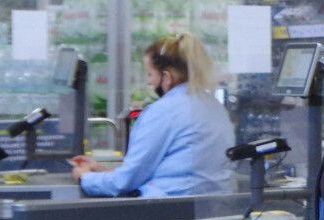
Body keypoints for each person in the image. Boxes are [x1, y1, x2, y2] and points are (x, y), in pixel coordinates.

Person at [71, 34, 232, 198]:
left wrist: (84, 177)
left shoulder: (164, 111)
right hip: (211, 208)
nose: (149, 82)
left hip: (168, 212)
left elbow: (124, 183)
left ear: (167, 77)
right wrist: (101, 170)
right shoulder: (216, 107)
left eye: (150, 74)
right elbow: (177, 170)